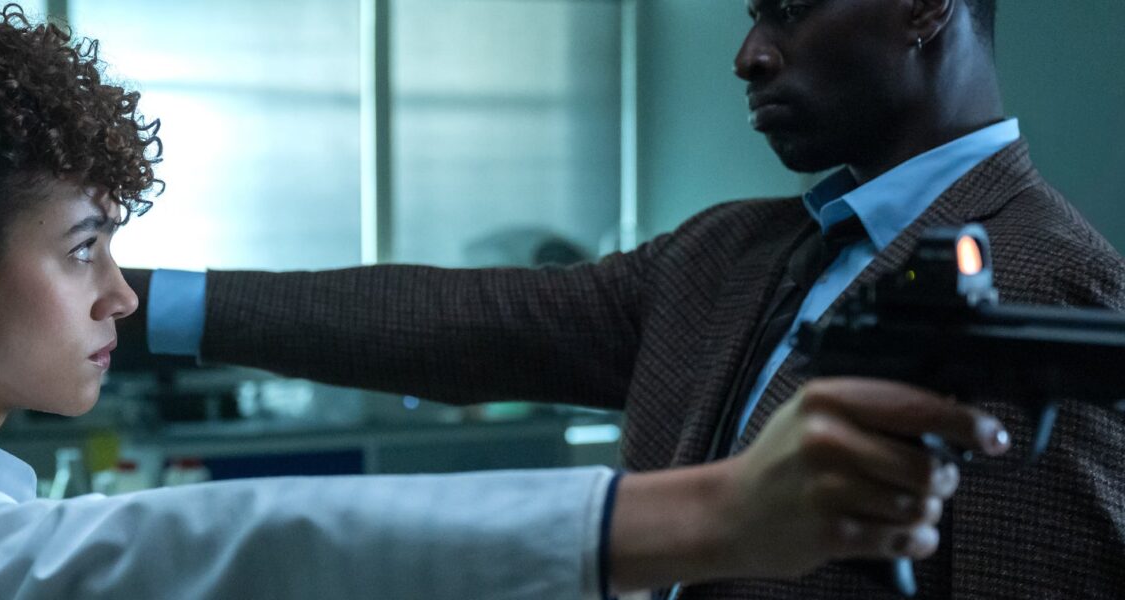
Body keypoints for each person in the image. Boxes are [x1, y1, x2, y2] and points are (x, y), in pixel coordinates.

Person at [0, 5, 1010, 600]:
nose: (120, 292)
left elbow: (476, 323)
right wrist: (700, 517)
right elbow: (194, 549)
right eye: (84, 250)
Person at [122, 0, 1125, 597]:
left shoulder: (1054, 284)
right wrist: (134, 307)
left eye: (788, 7)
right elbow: (470, 323)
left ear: (921, 7)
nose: (749, 53)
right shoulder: (732, 252)